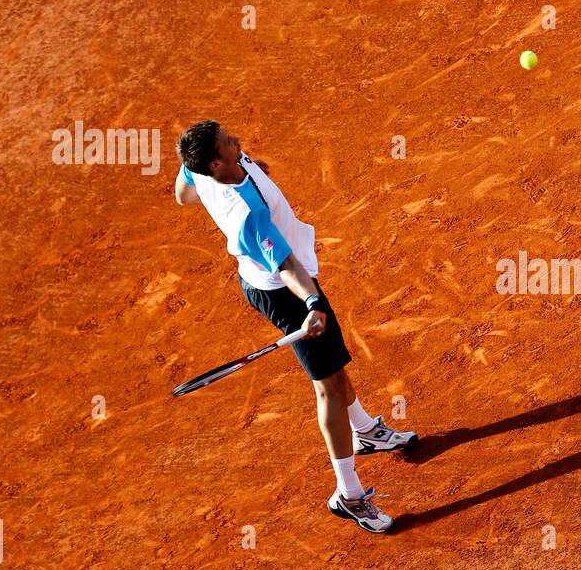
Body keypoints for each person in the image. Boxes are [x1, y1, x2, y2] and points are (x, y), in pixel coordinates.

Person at [173, 120, 414, 534]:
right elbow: (286, 266)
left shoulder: (200, 167)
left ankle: (364, 431)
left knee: (335, 370)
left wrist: (255, 177)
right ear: (217, 161)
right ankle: (349, 495)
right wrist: (313, 303)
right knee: (327, 386)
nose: (238, 141)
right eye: (230, 143)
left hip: (289, 280)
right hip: (287, 291)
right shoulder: (247, 216)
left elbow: (182, 195)